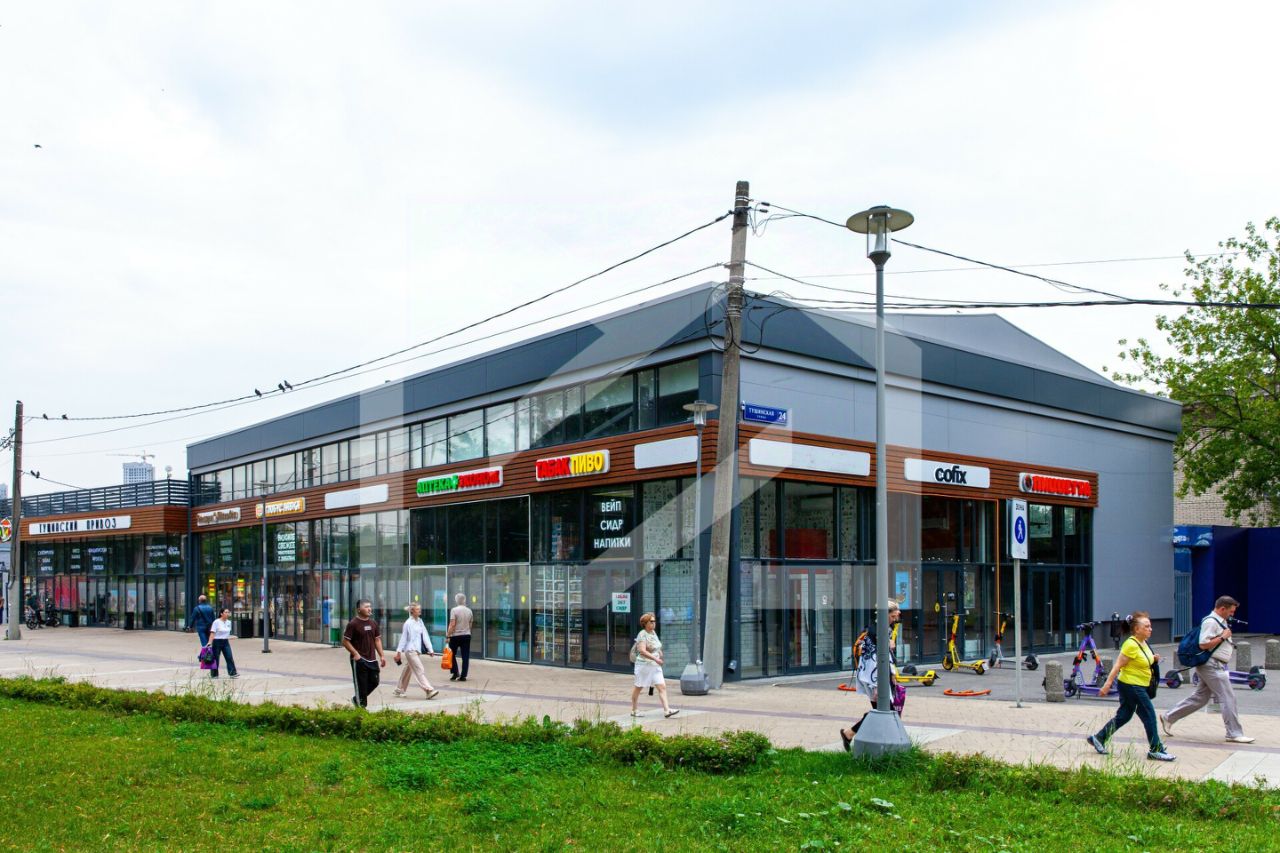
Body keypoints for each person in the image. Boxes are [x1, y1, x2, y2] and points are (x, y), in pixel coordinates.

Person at [1160, 595, 1255, 744]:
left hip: (1212, 664)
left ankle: (1168, 717)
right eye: (1231, 611)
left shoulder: (1219, 621)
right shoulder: (1211, 622)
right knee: (1228, 697)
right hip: (1212, 665)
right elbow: (1203, 644)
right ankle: (1234, 733)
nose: (1232, 614)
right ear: (1222, 608)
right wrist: (1223, 637)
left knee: (1200, 698)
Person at [1087, 611, 1173, 761]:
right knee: (1149, 715)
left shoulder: (1143, 643)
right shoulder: (1130, 645)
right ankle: (1155, 749)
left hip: (1138, 685)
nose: (1150, 629)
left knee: (1124, 715)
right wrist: (1107, 685)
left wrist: (1154, 659)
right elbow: (1118, 666)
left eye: (1150, 626)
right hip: (1132, 686)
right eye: (1146, 626)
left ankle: (1099, 738)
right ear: (1136, 629)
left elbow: (1141, 660)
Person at [840, 601, 904, 751]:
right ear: (884, 614)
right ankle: (885, 744)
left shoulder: (878, 629)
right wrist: (878, 684)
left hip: (873, 678)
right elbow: (875, 660)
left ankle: (851, 734)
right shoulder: (877, 633)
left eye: (896, 616)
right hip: (875, 679)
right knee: (886, 711)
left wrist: (891, 673)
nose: (895, 619)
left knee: (882, 710)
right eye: (893, 616)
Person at [630, 612, 678, 718]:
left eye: (654, 621)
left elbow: (656, 645)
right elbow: (642, 651)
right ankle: (634, 710)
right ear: (645, 623)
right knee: (638, 687)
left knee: (662, 687)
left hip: (655, 666)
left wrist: (660, 652)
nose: (654, 623)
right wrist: (656, 658)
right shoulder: (642, 634)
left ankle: (667, 710)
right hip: (644, 666)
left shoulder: (653, 632)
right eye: (651, 621)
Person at [342, 598, 386, 708]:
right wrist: (355, 654)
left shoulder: (373, 623)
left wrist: (382, 655)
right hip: (359, 660)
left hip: (372, 659)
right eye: (366, 607)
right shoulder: (353, 624)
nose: (369, 609)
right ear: (359, 609)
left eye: (370, 606)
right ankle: (361, 707)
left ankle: (357, 698)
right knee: (361, 685)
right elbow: (345, 641)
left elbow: (377, 640)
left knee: (375, 681)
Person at [392, 603, 440, 699]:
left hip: (417, 651)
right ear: (412, 611)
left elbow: (425, 635)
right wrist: (398, 652)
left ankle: (399, 689)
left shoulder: (420, 621)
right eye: (418, 609)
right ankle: (428, 690)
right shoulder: (408, 623)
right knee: (419, 669)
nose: (420, 611)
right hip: (410, 650)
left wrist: (430, 649)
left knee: (408, 670)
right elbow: (403, 638)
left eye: (419, 609)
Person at [446, 593, 474, 682]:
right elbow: (470, 624)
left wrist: (448, 635)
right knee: (465, 656)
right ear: (464, 600)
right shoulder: (469, 611)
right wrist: (468, 632)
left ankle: (455, 672)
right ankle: (463, 676)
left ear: (456, 600)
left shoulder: (454, 610)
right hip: (466, 636)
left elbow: (452, 624)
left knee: (451, 654)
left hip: (455, 636)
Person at [208, 608, 240, 679]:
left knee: (229, 657)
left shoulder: (229, 622)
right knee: (216, 658)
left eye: (228, 612)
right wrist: (209, 642)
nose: (227, 614)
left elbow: (227, 633)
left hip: (225, 642)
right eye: (226, 612)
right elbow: (212, 633)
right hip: (217, 642)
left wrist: (232, 637)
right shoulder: (216, 622)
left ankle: (232, 673)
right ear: (221, 614)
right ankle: (214, 674)